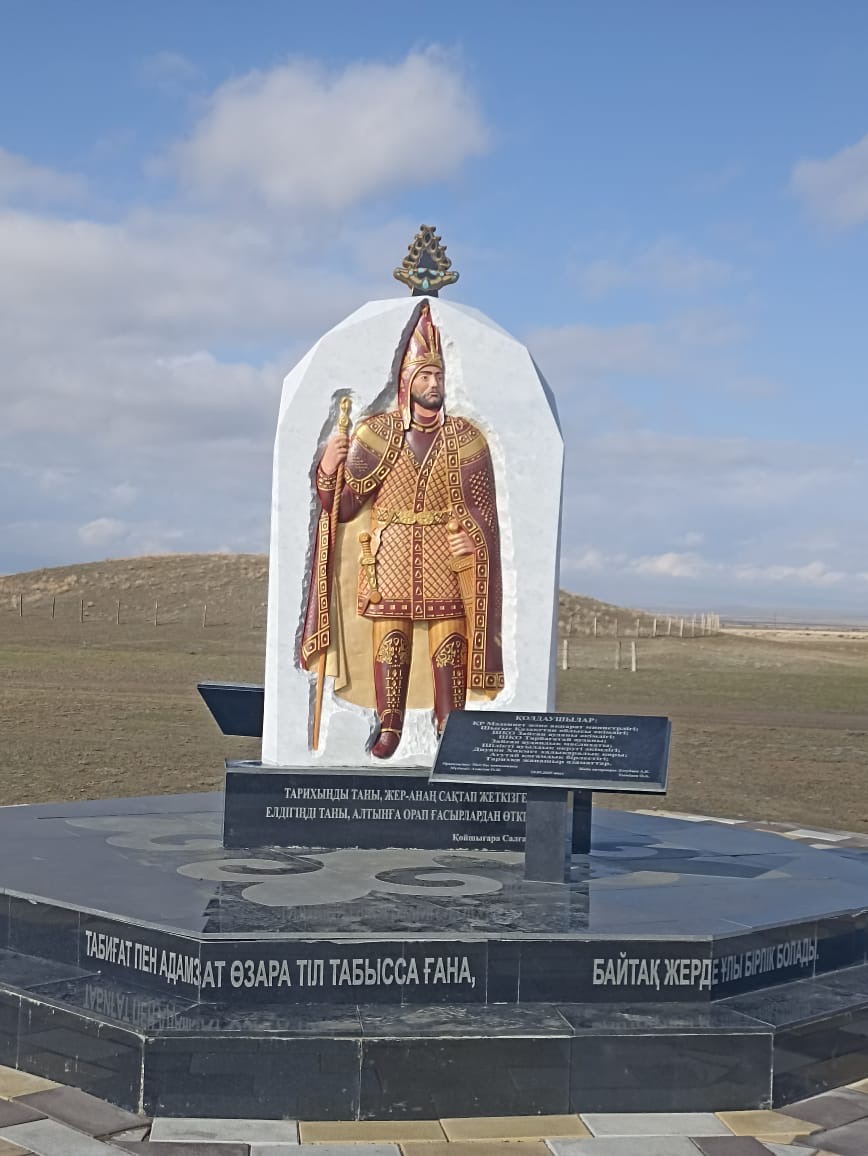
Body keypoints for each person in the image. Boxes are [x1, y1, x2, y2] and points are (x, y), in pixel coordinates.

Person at [300, 301, 503, 758]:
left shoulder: (466, 439)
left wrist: (472, 539)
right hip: (387, 553)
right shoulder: (377, 433)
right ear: (407, 380)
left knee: (449, 639)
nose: (433, 385)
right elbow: (343, 507)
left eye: (439, 377)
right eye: (424, 376)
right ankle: (389, 723)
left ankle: (450, 723)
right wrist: (329, 466)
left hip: (443, 554)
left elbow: (483, 511)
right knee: (391, 638)